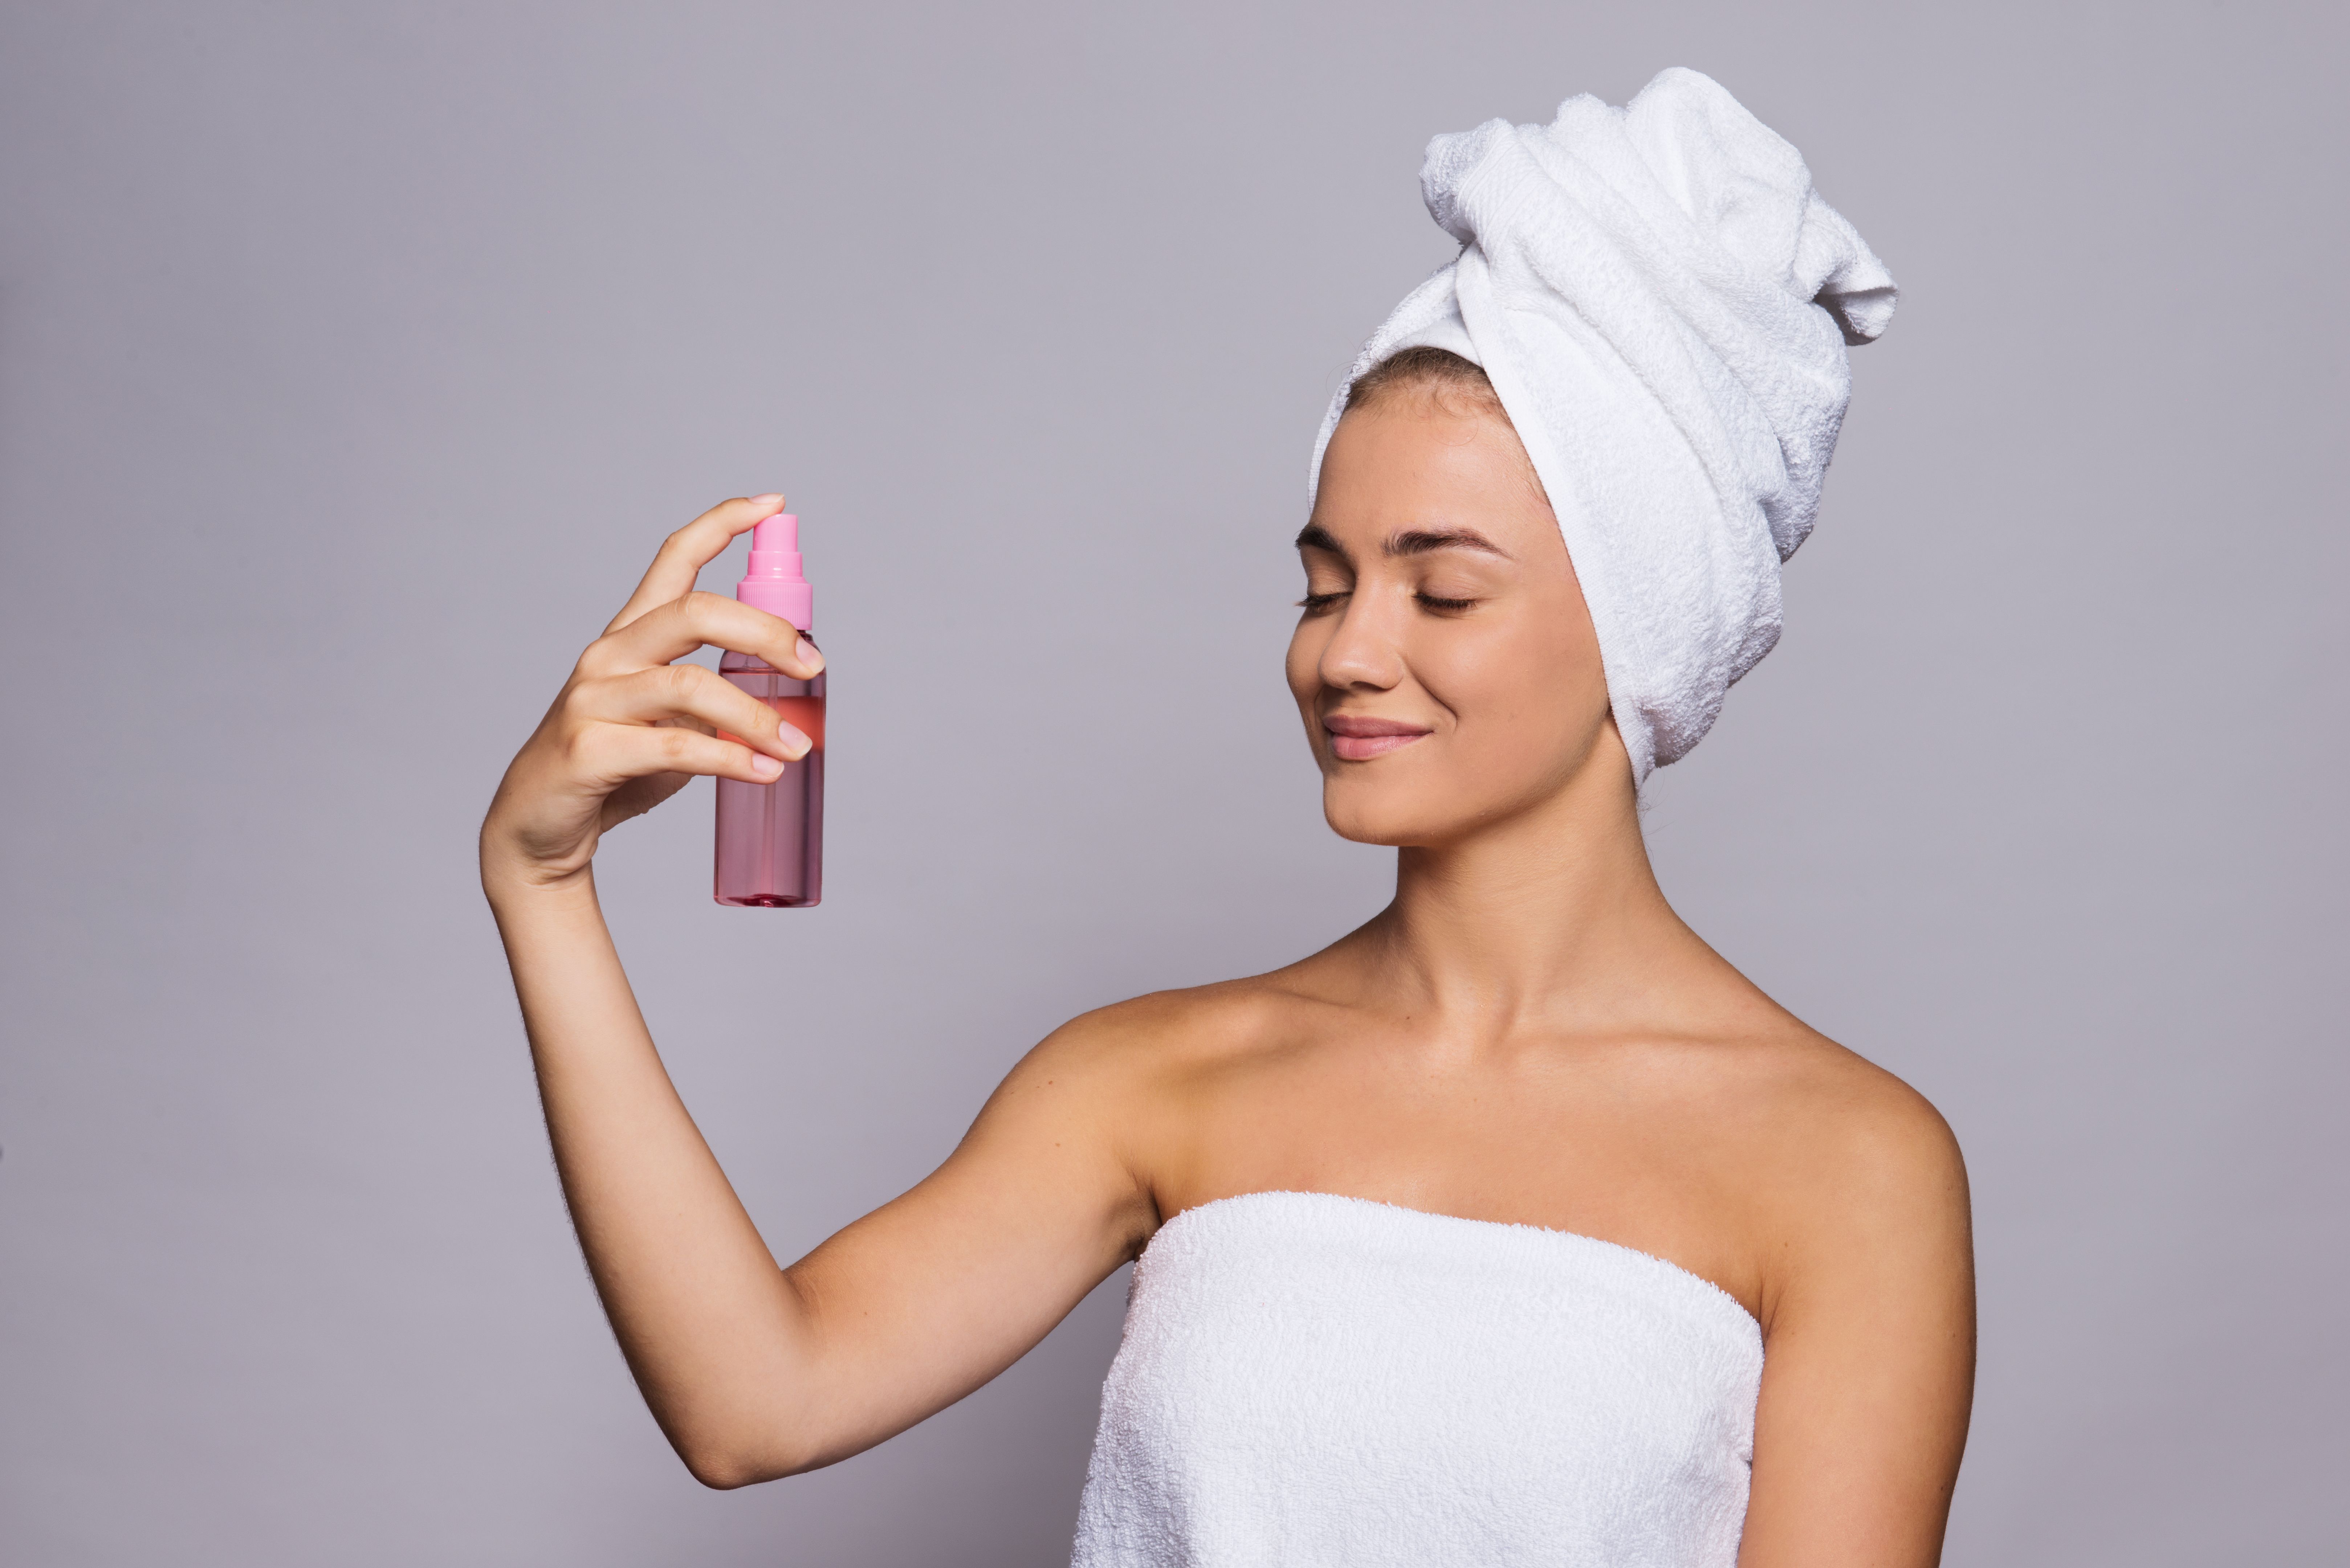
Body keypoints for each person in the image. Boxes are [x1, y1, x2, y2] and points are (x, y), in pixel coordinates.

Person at [482, 69, 1972, 1568]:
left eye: (1439, 590)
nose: (1344, 652)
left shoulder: (1844, 1170)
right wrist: (541, 887)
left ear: (1642, 630)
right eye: (1322, 584)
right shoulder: (1153, 1082)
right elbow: (755, 1400)